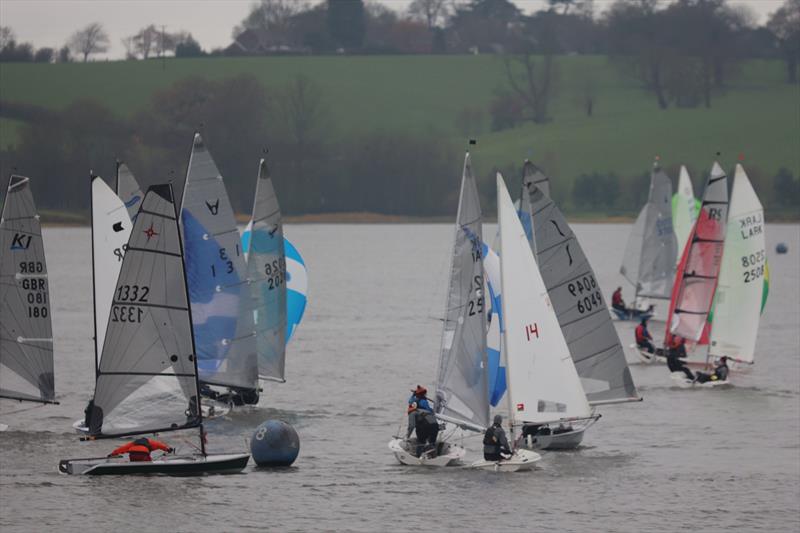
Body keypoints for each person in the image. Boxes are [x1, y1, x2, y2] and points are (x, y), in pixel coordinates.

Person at [406, 386, 439, 457]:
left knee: (421, 443)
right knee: (432, 443)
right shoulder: (426, 407)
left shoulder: (413, 411)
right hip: (435, 425)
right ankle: (433, 455)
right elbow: (432, 414)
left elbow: (411, 426)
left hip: (424, 427)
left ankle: (419, 456)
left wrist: (407, 436)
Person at [108, 437, 173, 462]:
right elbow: (161, 446)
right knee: (149, 463)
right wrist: (168, 449)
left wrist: (112, 454)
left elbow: (121, 449)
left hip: (133, 454)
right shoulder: (151, 442)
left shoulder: (133, 443)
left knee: (134, 463)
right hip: (143, 455)